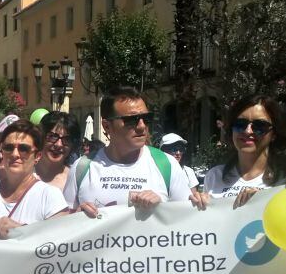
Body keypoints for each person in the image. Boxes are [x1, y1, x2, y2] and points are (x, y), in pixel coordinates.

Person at [65, 87, 192, 217]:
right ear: (107, 126)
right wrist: (77, 217)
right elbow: (62, 227)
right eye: (132, 120)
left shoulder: (167, 164)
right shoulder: (82, 167)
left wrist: (162, 207)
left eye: (146, 118)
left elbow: (186, 220)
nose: (142, 126)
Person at [0, 120, 68, 239]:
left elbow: (60, 247)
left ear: (37, 156)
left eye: (24, 149)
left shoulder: (50, 197)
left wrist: (22, 231)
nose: (15, 154)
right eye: (8, 148)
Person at [192, 95, 286, 209]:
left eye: (260, 126)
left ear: (274, 134)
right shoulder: (214, 176)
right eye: (240, 124)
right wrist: (199, 205)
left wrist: (261, 201)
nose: (247, 131)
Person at [36, 111, 81, 192]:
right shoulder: (25, 173)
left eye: (66, 139)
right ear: (41, 136)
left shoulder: (75, 180)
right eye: (52, 136)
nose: (58, 144)